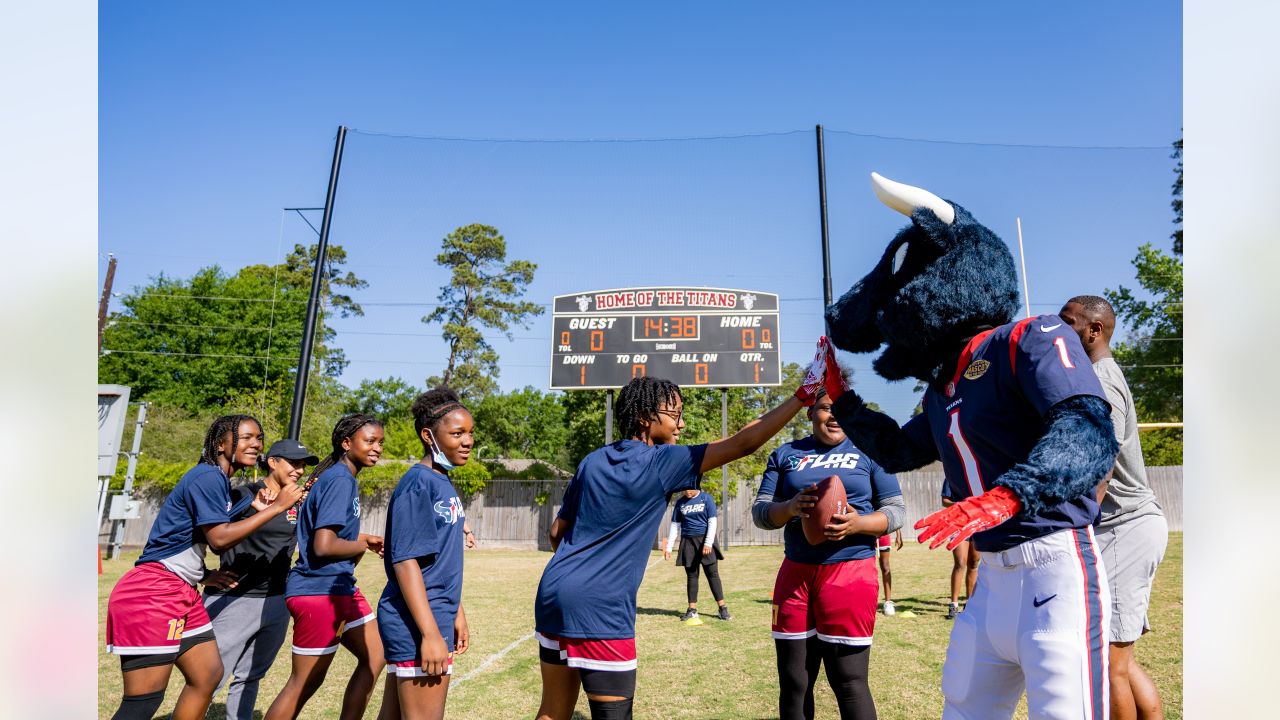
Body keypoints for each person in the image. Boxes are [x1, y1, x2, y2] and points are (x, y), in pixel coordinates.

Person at [534, 341, 837, 720]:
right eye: (674, 414)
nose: (682, 423)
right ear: (646, 417)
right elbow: (744, 442)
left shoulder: (592, 460)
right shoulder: (664, 461)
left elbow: (556, 532)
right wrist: (802, 395)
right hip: (601, 607)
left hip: (553, 592)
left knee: (552, 712)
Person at [105, 415, 303, 720]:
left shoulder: (220, 482)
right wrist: (276, 507)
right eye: (246, 437)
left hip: (182, 590)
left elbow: (185, 537)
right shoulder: (207, 477)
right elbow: (218, 540)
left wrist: (205, 574)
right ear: (221, 443)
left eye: (259, 438)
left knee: (208, 675)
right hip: (154, 592)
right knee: (143, 701)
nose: (256, 444)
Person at [752, 387, 905, 720]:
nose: (833, 416)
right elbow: (760, 512)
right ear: (810, 413)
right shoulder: (785, 454)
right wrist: (790, 508)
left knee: (848, 681)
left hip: (849, 573)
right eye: (824, 408)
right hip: (796, 573)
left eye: (840, 409)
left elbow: (896, 511)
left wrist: (858, 524)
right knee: (794, 682)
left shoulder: (870, 450)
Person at [1061, 295, 1169, 720]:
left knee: (1109, 662)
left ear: (1094, 331)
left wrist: (1074, 528)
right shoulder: (1093, 376)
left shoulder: (1101, 382)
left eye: (1066, 323)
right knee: (1118, 657)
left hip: (1126, 527)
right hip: (1120, 529)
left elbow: (1100, 470)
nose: (1057, 330)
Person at [264, 414, 387, 720]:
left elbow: (333, 536)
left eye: (380, 442)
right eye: (369, 441)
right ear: (347, 443)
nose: (377, 448)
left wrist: (362, 538)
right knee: (303, 684)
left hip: (340, 587)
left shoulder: (341, 477)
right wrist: (364, 544)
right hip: (318, 592)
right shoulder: (339, 480)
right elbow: (323, 545)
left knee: (376, 655)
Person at [375, 388, 474, 720]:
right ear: (428, 435)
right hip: (417, 622)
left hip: (435, 614)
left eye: (470, 432)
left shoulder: (440, 480)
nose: (467, 441)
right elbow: (405, 561)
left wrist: (456, 611)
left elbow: (439, 558)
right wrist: (431, 633)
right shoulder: (418, 483)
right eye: (457, 433)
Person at [202, 438, 319, 720]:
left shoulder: (297, 503)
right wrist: (205, 575)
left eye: (302, 465)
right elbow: (210, 535)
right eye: (293, 463)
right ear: (273, 462)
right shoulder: (244, 495)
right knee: (209, 679)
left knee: (251, 676)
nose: (299, 470)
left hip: (276, 600)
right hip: (236, 599)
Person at [662, 488, 729, 622]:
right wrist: (669, 547)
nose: (687, 492)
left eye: (689, 489)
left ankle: (723, 609)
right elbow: (675, 525)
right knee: (692, 576)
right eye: (684, 490)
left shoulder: (706, 498)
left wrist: (708, 543)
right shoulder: (680, 502)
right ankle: (692, 610)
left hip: (705, 540)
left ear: (696, 485)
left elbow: (712, 521)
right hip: (688, 541)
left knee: (712, 575)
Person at [940, 486, 980, 620]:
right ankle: (954, 604)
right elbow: (945, 500)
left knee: (974, 563)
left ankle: (970, 603)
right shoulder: (952, 471)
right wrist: (962, 506)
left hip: (977, 523)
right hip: (958, 523)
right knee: (960, 563)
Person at [875, 530, 903, 616]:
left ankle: (888, 603)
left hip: (883, 534)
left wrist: (898, 534)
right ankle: (865, 601)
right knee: (866, 568)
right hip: (866, 536)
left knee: (885, 567)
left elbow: (893, 517)